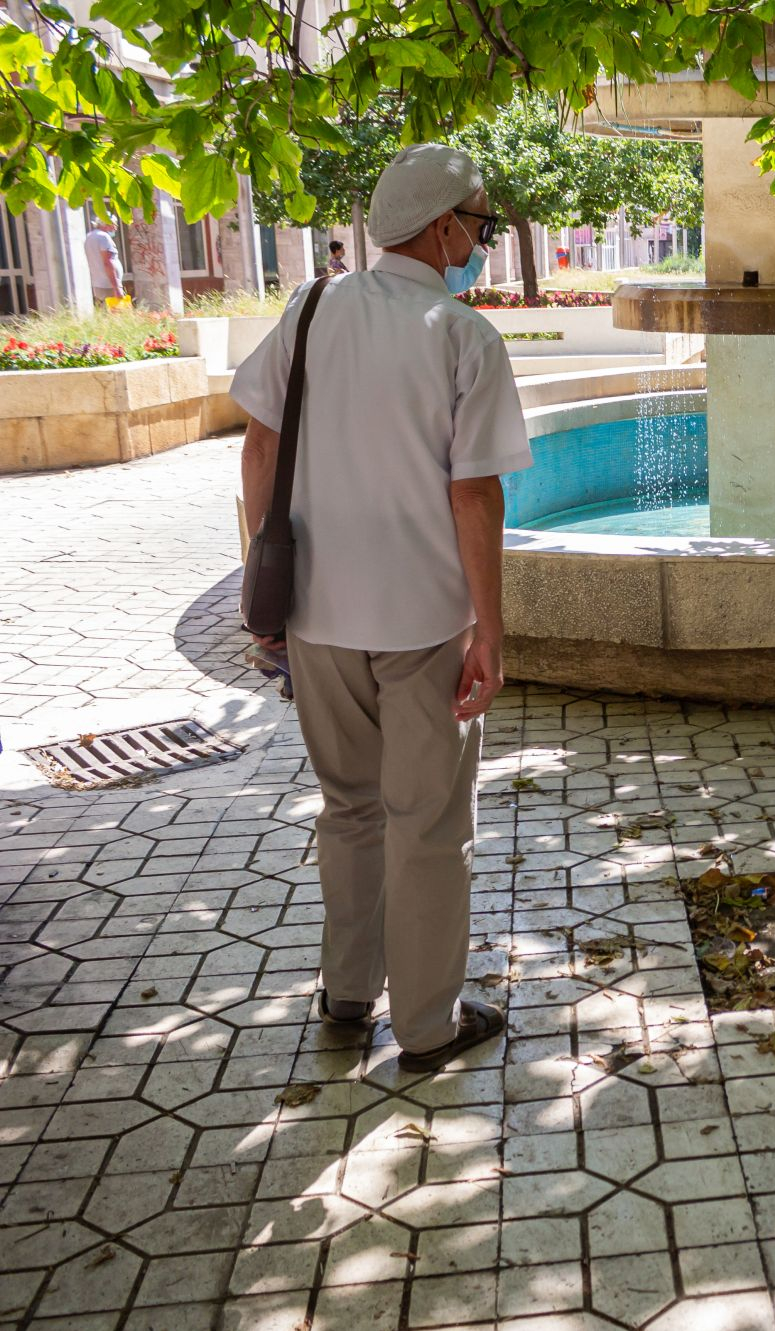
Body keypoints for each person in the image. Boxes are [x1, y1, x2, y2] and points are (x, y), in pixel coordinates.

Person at [233, 144, 530, 1074]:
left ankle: (348, 993)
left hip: (318, 614)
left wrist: (261, 582)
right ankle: (429, 1025)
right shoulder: (462, 335)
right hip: (423, 624)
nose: (481, 242)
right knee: (428, 824)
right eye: (480, 225)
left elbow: (258, 448)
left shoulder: (311, 309)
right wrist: (491, 632)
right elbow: (473, 495)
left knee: (349, 809)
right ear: (443, 228)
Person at [84, 218, 123, 306]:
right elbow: (107, 263)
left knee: (104, 310)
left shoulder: (90, 236)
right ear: (106, 223)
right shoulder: (103, 237)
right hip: (109, 285)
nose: (115, 228)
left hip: (98, 283)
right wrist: (116, 287)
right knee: (116, 311)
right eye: (114, 224)